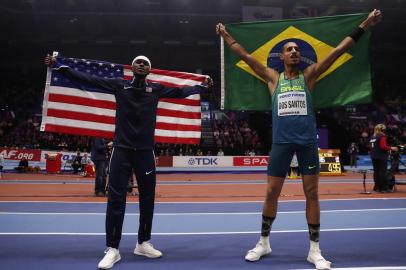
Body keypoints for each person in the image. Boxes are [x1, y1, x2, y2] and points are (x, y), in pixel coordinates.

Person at [217, 9, 381, 270]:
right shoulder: (273, 78)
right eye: (289, 49)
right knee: (271, 192)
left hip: (306, 143)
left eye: (296, 48)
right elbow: (246, 57)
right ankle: (263, 242)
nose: (293, 51)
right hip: (281, 143)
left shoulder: (310, 76)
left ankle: (314, 250)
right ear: (281, 57)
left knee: (312, 193)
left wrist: (365, 24)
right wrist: (226, 36)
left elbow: (339, 51)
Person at [45, 54, 212, 269]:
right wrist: (59, 67)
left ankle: (143, 243)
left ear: (149, 69)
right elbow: (88, 79)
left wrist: (202, 87)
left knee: (148, 199)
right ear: (132, 67)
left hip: (145, 152)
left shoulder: (157, 89)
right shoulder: (119, 85)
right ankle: (112, 248)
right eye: (138, 62)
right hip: (121, 150)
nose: (141, 65)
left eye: (146, 63)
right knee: (115, 198)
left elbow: (181, 92)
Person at [369, 124, 398, 192]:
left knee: (376, 172)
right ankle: (383, 188)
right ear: (382, 130)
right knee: (383, 172)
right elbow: (383, 147)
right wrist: (392, 148)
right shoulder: (382, 136)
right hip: (381, 156)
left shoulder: (372, 136)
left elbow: (370, 147)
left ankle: (377, 187)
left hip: (373, 156)